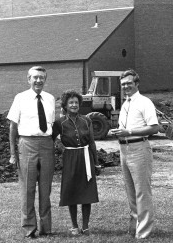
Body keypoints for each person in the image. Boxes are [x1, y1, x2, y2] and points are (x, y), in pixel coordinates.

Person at [7, 66, 55, 238]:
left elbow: (51, 125)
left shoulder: (50, 98)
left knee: (45, 189)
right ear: (28, 79)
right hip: (27, 144)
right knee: (27, 189)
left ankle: (46, 228)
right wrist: (13, 154)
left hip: (47, 145)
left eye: (42, 77)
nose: (38, 80)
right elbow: (12, 127)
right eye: (35, 77)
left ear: (45, 79)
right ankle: (29, 228)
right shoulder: (20, 98)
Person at [110, 69, 159, 240]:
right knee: (131, 191)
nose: (126, 86)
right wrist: (118, 132)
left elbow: (154, 127)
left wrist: (128, 131)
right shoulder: (125, 104)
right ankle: (136, 226)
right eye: (123, 84)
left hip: (139, 149)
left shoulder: (144, 102)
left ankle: (144, 232)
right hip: (124, 149)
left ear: (137, 84)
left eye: (129, 83)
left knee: (142, 191)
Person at [52, 90, 100, 236]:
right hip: (70, 158)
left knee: (87, 192)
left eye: (76, 102)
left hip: (86, 157)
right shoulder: (60, 122)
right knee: (71, 191)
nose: (74, 105)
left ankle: (85, 226)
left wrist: (96, 162)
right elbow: (52, 139)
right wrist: (62, 149)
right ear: (65, 105)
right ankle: (74, 226)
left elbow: (91, 141)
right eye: (71, 102)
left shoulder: (86, 120)